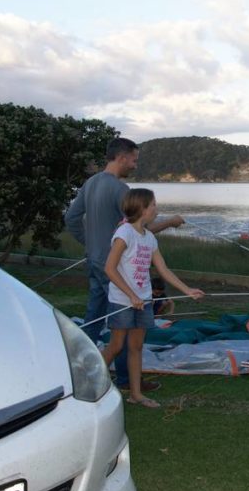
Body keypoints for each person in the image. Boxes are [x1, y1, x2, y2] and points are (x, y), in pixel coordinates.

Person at [64, 137, 184, 392]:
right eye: (134, 160)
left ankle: (77, 369)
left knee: (94, 318)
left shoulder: (91, 182)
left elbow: (71, 218)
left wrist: (90, 244)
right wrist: (171, 222)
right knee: (125, 320)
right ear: (121, 158)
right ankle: (126, 380)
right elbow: (140, 228)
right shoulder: (120, 190)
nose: (135, 165)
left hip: (94, 260)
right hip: (115, 268)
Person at [103, 188, 204, 408]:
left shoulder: (149, 238)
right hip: (122, 301)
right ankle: (92, 383)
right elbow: (109, 268)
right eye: (153, 205)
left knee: (136, 347)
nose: (156, 209)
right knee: (116, 346)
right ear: (142, 209)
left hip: (144, 301)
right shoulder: (124, 233)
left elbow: (163, 269)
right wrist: (131, 295)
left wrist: (187, 289)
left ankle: (136, 394)